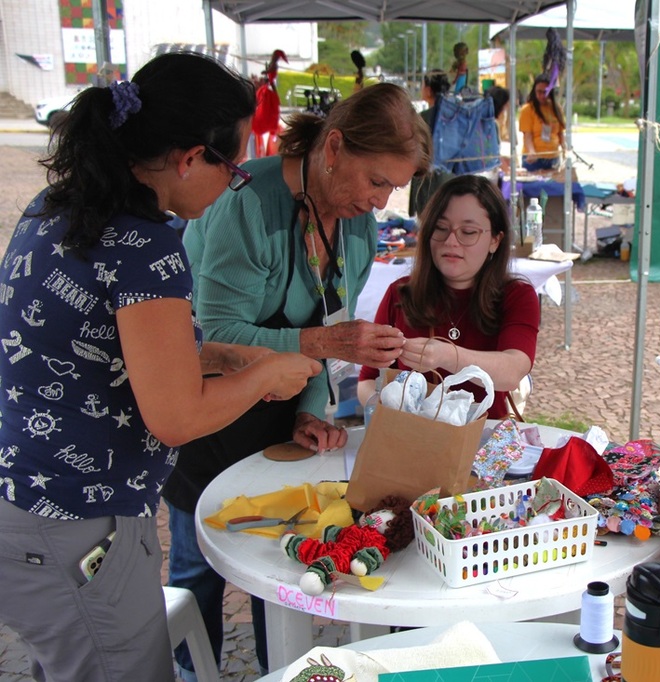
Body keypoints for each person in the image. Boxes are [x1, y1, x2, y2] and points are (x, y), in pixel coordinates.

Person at [0, 51, 322, 682]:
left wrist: (223, 354)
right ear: (189, 158)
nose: (233, 183)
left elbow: (98, 350)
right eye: (231, 168)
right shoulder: (146, 246)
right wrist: (266, 373)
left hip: (31, 506)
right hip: (72, 522)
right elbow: (176, 416)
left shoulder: (58, 206)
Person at [162, 82, 431, 680]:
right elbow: (219, 334)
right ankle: (190, 670)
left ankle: (273, 668)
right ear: (332, 147)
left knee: (277, 567)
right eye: (377, 181)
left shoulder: (355, 227)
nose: (382, 202)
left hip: (277, 418)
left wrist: (313, 409)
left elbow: (327, 323)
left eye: (393, 187)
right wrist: (326, 347)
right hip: (205, 408)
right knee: (197, 563)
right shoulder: (246, 203)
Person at [358, 174, 539, 419]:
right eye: (441, 228)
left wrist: (447, 356)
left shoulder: (517, 295)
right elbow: (368, 378)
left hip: (483, 442)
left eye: (468, 232)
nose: (451, 241)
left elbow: (512, 371)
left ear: (495, 240)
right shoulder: (401, 294)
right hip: (411, 440)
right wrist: (384, 408)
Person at [408, 70, 453, 217]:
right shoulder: (453, 117)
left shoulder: (422, 119)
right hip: (451, 178)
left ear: (428, 90)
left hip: (428, 183)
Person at [518, 75, 565, 172]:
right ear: (534, 91)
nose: (542, 95)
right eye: (539, 92)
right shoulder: (527, 109)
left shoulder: (556, 108)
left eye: (545, 92)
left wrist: (565, 150)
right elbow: (527, 135)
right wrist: (531, 151)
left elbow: (560, 133)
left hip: (553, 158)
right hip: (534, 159)